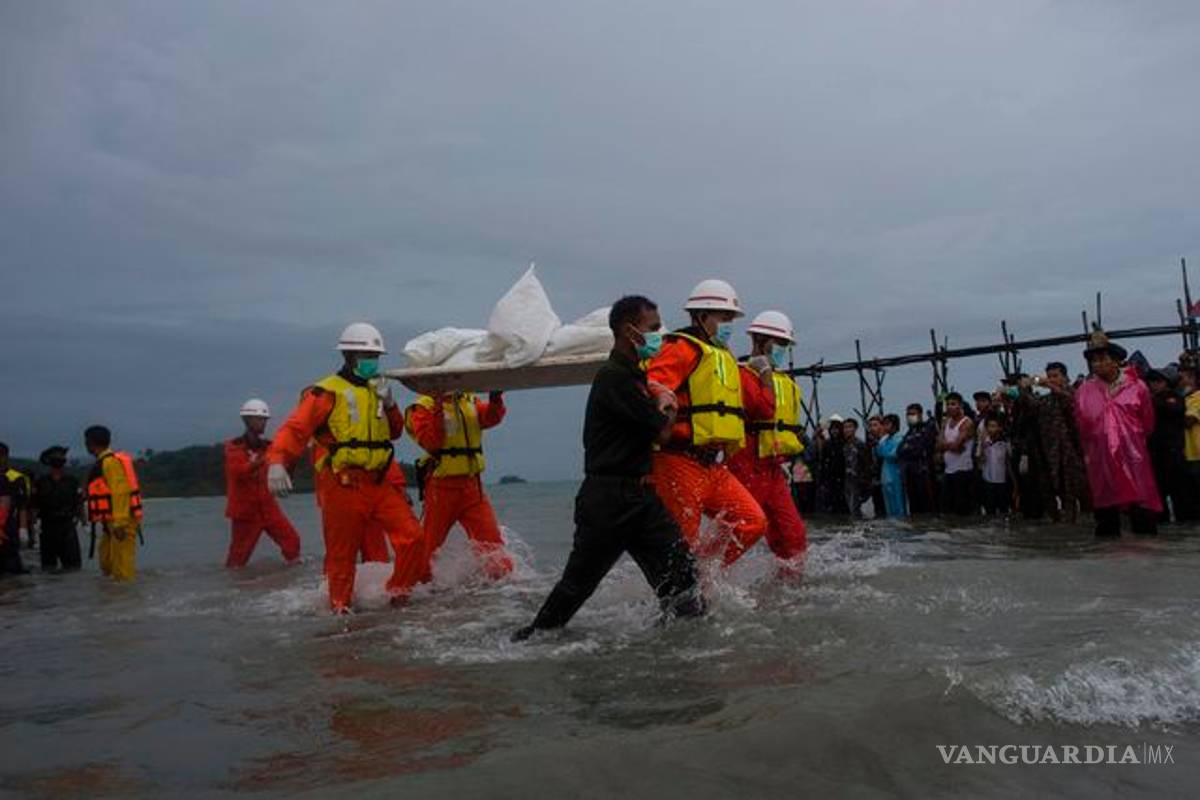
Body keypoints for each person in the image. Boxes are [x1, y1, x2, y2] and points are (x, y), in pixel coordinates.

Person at [513, 296, 705, 640]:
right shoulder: (614, 379)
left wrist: (656, 394)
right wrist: (667, 403)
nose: (661, 335)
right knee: (577, 586)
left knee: (684, 578)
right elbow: (661, 432)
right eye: (654, 329)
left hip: (642, 497)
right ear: (630, 332)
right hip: (609, 500)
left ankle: (682, 655)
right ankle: (529, 640)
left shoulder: (635, 378)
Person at [266, 322, 423, 612]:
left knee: (414, 538)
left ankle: (397, 596)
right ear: (348, 356)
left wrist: (389, 404)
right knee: (342, 555)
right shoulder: (326, 391)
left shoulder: (380, 389)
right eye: (367, 356)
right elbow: (296, 429)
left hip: (379, 482)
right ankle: (340, 610)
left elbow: (396, 431)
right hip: (343, 483)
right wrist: (277, 461)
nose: (372, 362)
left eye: (376, 356)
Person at [644, 279, 767, 565]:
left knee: (752, 521)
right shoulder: (680, 347)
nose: (729, 325)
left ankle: (704, 574)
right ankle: (681, 594)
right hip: (677, 461)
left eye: (731, 319)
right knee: (681, 542)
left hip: (711, 464)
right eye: (724, 318)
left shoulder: (722, 356)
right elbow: (653, 384)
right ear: (701, 317)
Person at [395, 385, 515, 589]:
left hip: (472, 486)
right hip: (442, 487)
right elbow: (430, 441)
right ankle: (416, 588)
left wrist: (495, 399)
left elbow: (489, 418)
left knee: (492, 545)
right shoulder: (420, 407)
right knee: (428, 546)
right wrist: (439, 406)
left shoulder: (469, 400)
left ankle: (504, 588)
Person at [728, 310, 807, 568]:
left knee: (793, 534)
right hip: (747, 461)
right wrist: (764, 376)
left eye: (785, 345)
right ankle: (704, 577)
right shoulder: (740, 375)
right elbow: (762, 408)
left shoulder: (783, 380)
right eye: (779, 343)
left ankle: (789, 589)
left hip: (774, 465)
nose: (782, 349)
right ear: (760, 340)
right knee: (740, 529)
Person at [1074, 331, 1160, 536]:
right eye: (1093, 360)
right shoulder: (1084, 391)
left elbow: (1148, 423)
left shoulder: (1137, 387)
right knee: (1106, 521)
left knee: (1143, 517)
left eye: (1102, 359)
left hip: (1133, 458)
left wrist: (1131, 442)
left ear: (1116, 361)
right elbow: (1080, 425)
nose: (1097, 364)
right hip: (1100, 460)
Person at [223, 399, 301, 568]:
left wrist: (292, 456)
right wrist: (266, 459)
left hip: (268, 506)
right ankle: (234, 586)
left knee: (292, 541)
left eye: (264, 419)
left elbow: (286, 459)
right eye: (259, 419)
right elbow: (239, 471)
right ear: (247, 420)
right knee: (238, 557)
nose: (263, 423)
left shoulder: (269, 446)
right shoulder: (234, 447)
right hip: (245, 511)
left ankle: (294, 579)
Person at [84, 426, 143, 581]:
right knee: (107, 564)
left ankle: (127, 600)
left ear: (91, 442)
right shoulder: (103, 462)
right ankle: (114, 601)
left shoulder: (110, 462)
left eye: (86, 441)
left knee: (122, 570)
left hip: (120, 523)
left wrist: (120, 523)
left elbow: (120, 492)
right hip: (110, 524)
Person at [1145, 367, 1192, 523]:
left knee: (1179, 491)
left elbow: (1174, 409)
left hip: (1173, 450)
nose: (1154, 385)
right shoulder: (1149, 400)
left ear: (1166, 383)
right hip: (1155, 452)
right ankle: (1162, 519)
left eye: (1158, 381)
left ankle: (1184, 520)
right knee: (1159, 489)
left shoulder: (1173, 397)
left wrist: (1151, 400)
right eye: (1152, 381)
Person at [32, 446, 83, 571]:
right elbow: (34, 504)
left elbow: (79, 502)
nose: (60, 459)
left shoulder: (72, 481)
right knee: (48, 568)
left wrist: (84, 521)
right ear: (49, 461)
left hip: (67, 527)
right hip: (47, 527)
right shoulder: (41, 482)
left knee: (73, 568)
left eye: (62, 457)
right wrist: (34, 524)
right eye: (56, 457)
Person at [936, 393, 976, 516]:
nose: (949, 407)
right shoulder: (946, 422)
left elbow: (957, 445)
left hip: (963, 471)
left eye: (953, 404)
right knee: (946, 509)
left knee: (962, 510)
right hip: (948, 471)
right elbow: (938, 445)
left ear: (960, 405)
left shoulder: (967, 423)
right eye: (947, 404)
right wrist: (950, 446)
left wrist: (947, 446)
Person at [898, 404, 938, 514]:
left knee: (927, 505)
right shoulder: (909, 432)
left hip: (923, 473)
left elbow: (920, 448)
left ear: (920, 415)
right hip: (909, 474)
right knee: (914, 506)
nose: (910, 417)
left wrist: (909, 450)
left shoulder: (927, 428)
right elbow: (900, 451)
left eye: (913, 414)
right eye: (908, 414)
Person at [0, 442, 28, 576]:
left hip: (8, 526)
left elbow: (22, 505)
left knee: (12, 570)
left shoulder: (15, 478)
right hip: (6, 526)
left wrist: (23, 529)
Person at [874, 414, 907, 517]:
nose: (884, 427)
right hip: (886, 477)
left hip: (896, 476)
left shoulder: (899, 438)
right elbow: (878, 452)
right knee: (889, 507)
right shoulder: (885, 439)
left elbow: (892, 454)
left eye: (887, 424)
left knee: (899, 505)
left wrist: (882, 448)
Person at [978, 417, 1012, 515]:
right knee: (989, 510)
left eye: (994, 426)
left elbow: (1008, 462)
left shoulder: (1005, 443)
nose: (991, 429)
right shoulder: (984, 443)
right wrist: (983, 446)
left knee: (1003, 510)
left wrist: (1014, 483)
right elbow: (980, 460)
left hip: (1002, 482)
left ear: (1000, 428)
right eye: (989, 426)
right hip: (988, 481)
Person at [841, 417, 872, 518]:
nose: (847, 430)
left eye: (850, 427)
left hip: (858, 482)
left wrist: (865, 482)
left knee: (856, 509)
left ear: (855, 429)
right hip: (846, 481)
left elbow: (866, 464)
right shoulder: (843, 445)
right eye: (845, 427)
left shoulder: (860, 445)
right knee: (849, 509)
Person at [1181, 360, 1200, 501]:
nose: (1180, 381)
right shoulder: (1186, 398)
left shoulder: (1197, 397)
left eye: (1184, 378)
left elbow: (1189, 421)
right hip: (1190, 451)